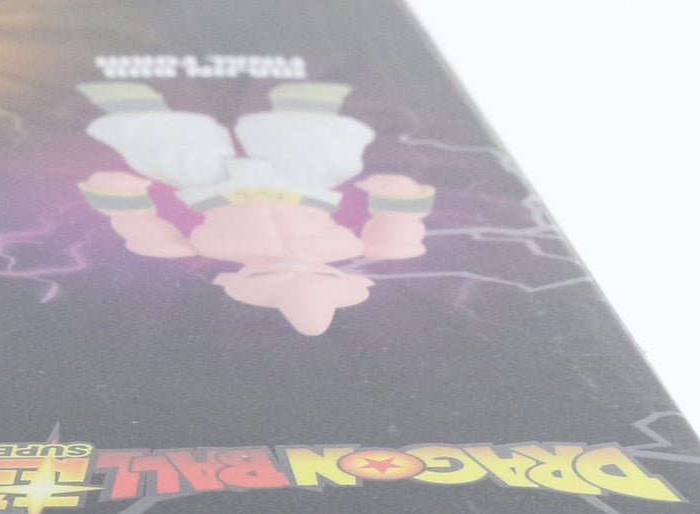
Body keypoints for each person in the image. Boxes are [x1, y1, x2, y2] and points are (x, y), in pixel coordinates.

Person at [76, 79, 434, 336]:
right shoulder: (351, 248)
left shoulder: (214, 249)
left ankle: (131, 104)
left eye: (270, 279)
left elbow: (148, 235)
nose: (293, 269)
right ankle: (305, 102)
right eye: (322, 277)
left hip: (215, 189)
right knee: (324, 153)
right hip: (305, 187)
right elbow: (398, 233)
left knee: (172, 155)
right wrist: (397, 201)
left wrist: (123, 202)